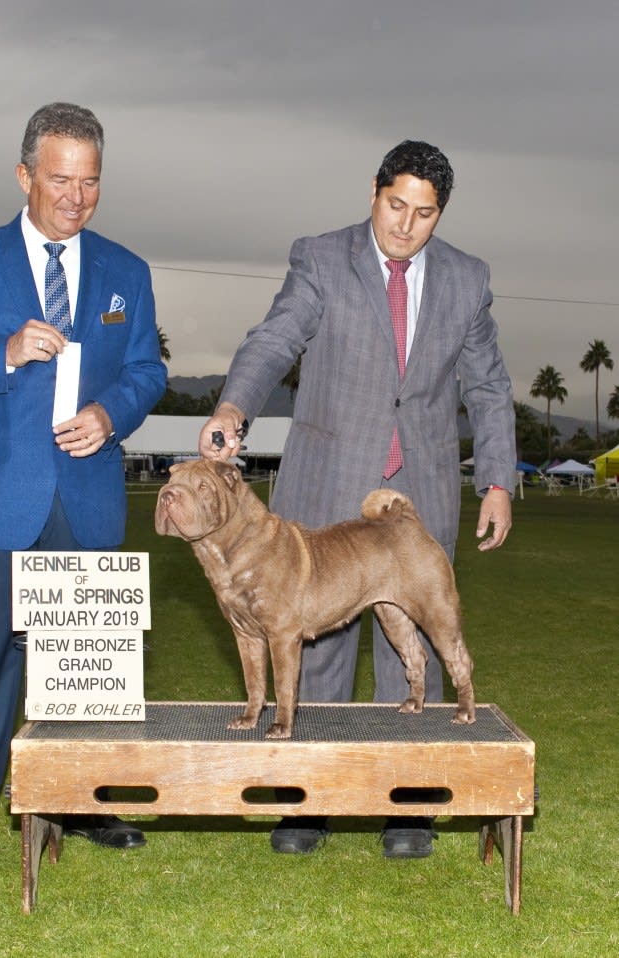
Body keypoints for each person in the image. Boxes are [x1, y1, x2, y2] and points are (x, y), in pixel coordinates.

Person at [198, 140, 515, 858]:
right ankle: (307, 802)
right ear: (374, 193)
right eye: (396, 205)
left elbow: (490, 387)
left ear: (441, 215)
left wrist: (497, 480)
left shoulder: (467, 280)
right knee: (319, 645)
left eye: (424, 214)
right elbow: (276, 338)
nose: (406, 225)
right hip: (327, 480)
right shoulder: (321, 258)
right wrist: (231, 409)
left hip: (422, 487)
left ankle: (407, 805)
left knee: (419, 649)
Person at [0, 102, 167, 864]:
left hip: (85, 497)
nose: (75, 198)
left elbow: (149, 369)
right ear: (24, 175)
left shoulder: (128, 271)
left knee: (86, 667)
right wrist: (6, 350)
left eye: (90, 183)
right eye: (60, 180)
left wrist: (110, 415)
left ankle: (85, 802)